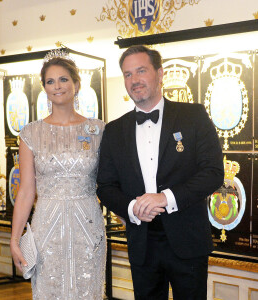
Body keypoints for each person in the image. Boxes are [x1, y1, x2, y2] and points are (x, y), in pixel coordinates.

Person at [96, 45, 224, 300]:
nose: (134, 80)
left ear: (160, 73)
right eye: (127, 74)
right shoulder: (113, 130)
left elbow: (212, 172)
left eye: (141, 71)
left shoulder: (193, 116)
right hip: (142, 243)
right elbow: (105, 186)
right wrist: (132, 207)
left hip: (187, 239)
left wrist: (166, 198)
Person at [10, 50, 106, 299]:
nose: (57, 86)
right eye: (50, 81)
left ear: (76, 84)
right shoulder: (31, 133)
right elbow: (26, 191)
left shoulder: (98, 130)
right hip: (46, 228)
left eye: (63, 79)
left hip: (88, 224)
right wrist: (14, 238)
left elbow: (110, 182)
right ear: (44, 88)